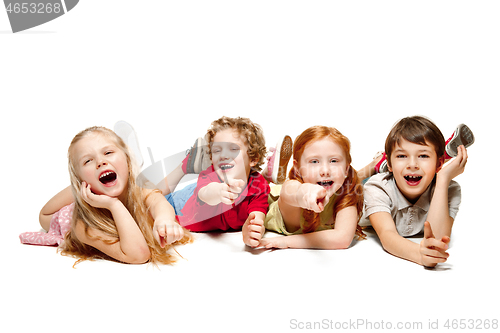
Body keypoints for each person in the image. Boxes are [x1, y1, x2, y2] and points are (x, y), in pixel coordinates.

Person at [24, 126, 192, 266]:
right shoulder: (83, 226)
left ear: (126, 158)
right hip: (67, 218)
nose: (100, 161)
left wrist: (165, 220)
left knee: (153, 189)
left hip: (105, 183)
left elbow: (158, 201)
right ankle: (81, 187)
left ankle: (100, 177)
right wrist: (113, 204)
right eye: (87, 161)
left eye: (108, 152)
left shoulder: (140, 188)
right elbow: (139, 255)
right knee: (43, 216)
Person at [358, 117, 473, 268]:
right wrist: (419, 254)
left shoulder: (449, 189)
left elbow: (438, 240)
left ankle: (397, 160)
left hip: (408, 172)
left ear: (440, 164)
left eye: (423, 156)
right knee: (345, 183)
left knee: (413, 167)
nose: (412, 165)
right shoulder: (378, 187)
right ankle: (378, 164)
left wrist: (442, 179)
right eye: (402, 156)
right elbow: (387, 235)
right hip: (357, 195)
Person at [148, 116, 273, 248]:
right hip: (182, 204)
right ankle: (185, 166)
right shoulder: (209, 175)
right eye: (217, 151)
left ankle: (195, 160)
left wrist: (253, 232)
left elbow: (257, 218)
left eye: (233, 149)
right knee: (150, 197)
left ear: (253, 159)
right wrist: (219, 191)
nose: (223, 155)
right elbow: (205, 194)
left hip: (197, 192)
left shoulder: (259, 185)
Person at [250, 125, 365, 249]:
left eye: (334, 161)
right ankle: (265, 176)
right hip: (265, 197)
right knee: (252, 187)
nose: (325, 171)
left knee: (356, 180)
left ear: (346, 168)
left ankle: (375, 165)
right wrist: (307, 193)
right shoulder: (292, 187)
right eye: (314, 161)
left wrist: (287, 242)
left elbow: (342, 239)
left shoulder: (346, 196)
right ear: (298, 168)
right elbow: (295, 192)